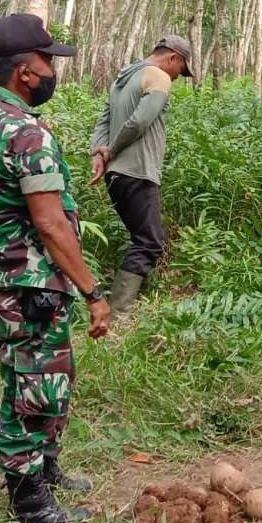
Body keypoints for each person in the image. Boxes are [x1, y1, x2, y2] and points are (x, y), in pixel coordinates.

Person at [0, 13, 111, 523]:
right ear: (26, 71)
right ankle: (29, 501)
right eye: (48, 61)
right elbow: (50, 224)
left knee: (44, 376)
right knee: (33, 386)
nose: (53, 71)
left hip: (11, 278)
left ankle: (44, 469)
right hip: (30, 283)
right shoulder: (24, 133)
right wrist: (93, 290)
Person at [89, 35, 193, 314]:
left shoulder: (124, 77)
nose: (179, 76)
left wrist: (98, 155)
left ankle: (122, 304)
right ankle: (119, 311)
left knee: (146, 236)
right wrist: (109, 151)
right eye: (181, 69)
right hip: (138, 171)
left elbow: (104, 118)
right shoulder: (159, 77)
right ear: (173, 57)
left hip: (117, 176)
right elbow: (139, 123)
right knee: (149, 241)